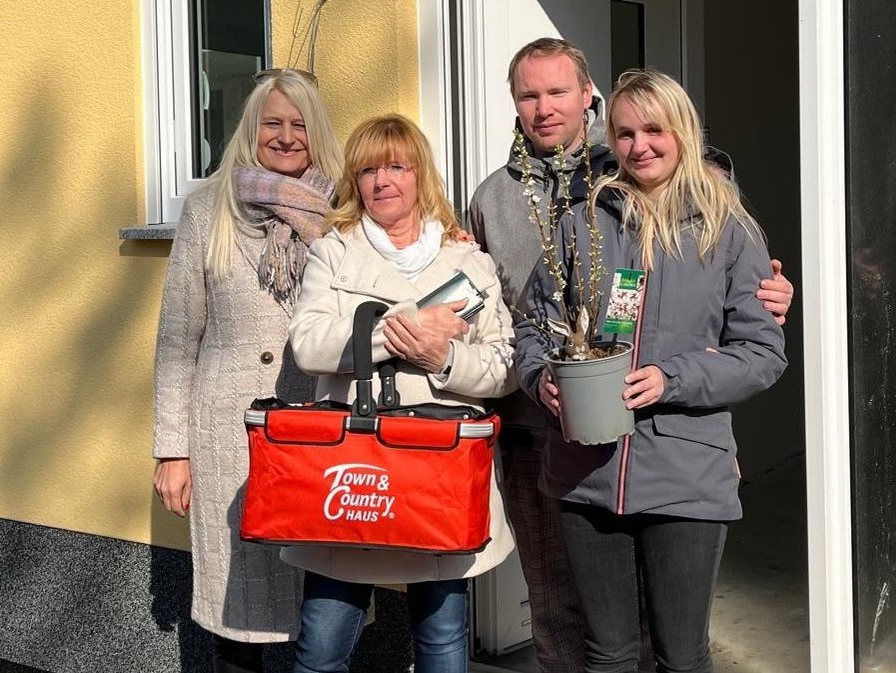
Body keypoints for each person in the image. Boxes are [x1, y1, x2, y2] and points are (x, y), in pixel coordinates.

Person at [465, 37, 794, 672]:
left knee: (679, 654)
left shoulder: (725, 227)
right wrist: (540, 377)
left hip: (683, 471)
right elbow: (531, 325)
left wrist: (673, 379)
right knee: (603, 650)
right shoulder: (584, 221)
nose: (640, 145)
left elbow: (761, 352)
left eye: (654, 130)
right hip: (585, 469)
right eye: (626, 134)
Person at [283, 114, 517, 673]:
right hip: (354, 471)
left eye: (396, 167)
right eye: (368, 171)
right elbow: (309, 346)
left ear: (420, 176)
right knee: (320, 648)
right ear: (355, 182)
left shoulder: (467, 260)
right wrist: (406, 327)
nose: (382, 181)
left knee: (442, 641)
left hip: (439, 472)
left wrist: (444, 358)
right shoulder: (334, 252)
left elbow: (505, 367)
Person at [151, 68, 344, 673]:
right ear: (250, 129)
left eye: (299, 125)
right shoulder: (208, 209)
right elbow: (178, 338)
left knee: (323, 607)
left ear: (317, 133)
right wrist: (172, 451)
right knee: (236, 608)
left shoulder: (343, 211)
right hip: (228, 435)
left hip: (319, 429)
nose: (286, 137)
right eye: (272, 123)